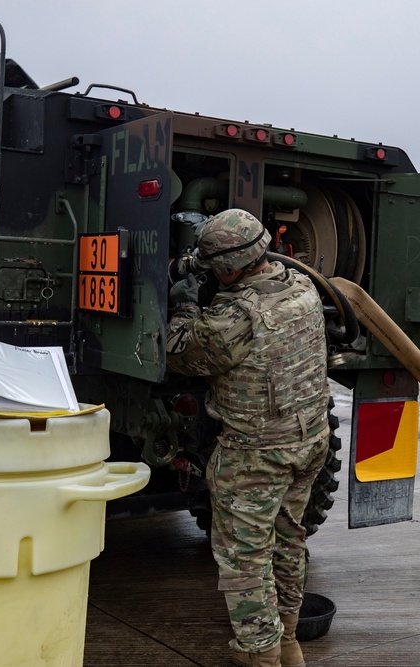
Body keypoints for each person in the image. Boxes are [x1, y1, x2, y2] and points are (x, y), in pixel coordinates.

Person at [165, 209, 330, 667]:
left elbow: (179, 351)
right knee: (289, 539)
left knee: (244, 559)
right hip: (309, 443)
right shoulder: (304, 288)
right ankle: (290, 642)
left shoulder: (235, 318)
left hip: (257, 456)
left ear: (231, 269)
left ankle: (260, 655)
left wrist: (184, 303)